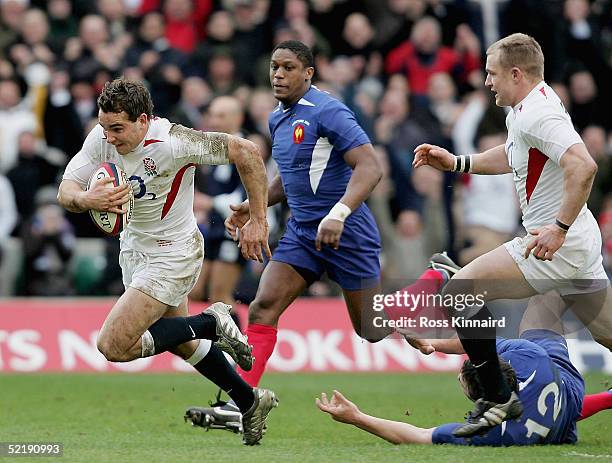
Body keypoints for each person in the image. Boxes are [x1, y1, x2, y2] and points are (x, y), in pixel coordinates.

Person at [412, 33, 611, 437]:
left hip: (557, 244)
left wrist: (558, 227)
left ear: (516, 74)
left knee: (458, 292)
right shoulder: (528, 108)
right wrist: (457, 162)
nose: (487, 82)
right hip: (576, 242)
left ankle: (498, 397)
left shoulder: (540, 114)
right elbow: (515, 152)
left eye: (492, 74)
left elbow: (584, 166)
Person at [57, 78, 276, 445]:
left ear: (143, 120)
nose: (108, 137)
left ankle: (210, 321)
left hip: (173, 252)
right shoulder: (101, 137)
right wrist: (87, 199)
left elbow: (248, 152)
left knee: (114, 345)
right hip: (134, 249)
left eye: (117, 128)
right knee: (178, 339)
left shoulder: (175, 141)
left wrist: (258, 219)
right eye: (104, 126)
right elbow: (67, 189)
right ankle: (249, 401)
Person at [191, 39, 389, 426]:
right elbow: (292, 176)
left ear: (308, 73)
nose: (278, 75)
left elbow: (370, 167)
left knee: (371, 330)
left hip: (346, 231)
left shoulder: (328, 110)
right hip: (302, 233)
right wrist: (256, 203)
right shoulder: (277, 117)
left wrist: (339, 213)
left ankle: (433, 281)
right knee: (264, 306)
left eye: (287, 68)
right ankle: (242, 403)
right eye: (274, 67)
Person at [316, 332, 612, 446]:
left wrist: (357, 417)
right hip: (560, 378)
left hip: (561, 417)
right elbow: (479, 341)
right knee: (545, 306)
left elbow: (417, 436)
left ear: (481, 400)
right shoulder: (525, 355)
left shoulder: (498, 435)